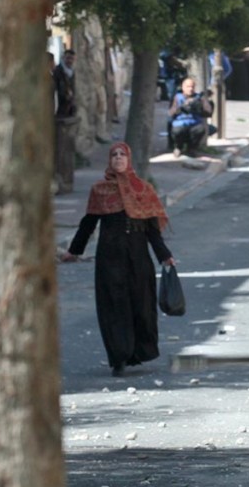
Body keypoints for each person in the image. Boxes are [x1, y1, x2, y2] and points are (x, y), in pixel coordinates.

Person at [62, 142, 175, 377]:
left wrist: (165, 256)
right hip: (110, 259)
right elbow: (89, 223)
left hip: (138, 259)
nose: (119, 158)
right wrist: (74, 250)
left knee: (141, 305)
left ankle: (138, 352)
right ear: (109, 161)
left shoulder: (143, 190)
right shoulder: (100, 190)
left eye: (123, 154)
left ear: (129, 159)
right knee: (114, 306)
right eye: (114, 155)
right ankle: (119, 357)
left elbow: (152, 231)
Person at [53, 48, 78, 193]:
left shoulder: (71, 72)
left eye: (72, 59)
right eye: (68, 58)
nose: (70, 61)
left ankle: (66, 181)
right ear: (64, 58)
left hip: (68, 114)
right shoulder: (59, 73)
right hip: (60, 115)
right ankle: (63, 181)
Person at [169, 77, 213, 158]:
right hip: (180, 123)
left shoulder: (199, 98)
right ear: (183, 87)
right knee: (177, 131)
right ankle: (178, 147)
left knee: (200, 130)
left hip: (194, 123)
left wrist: (199, 106)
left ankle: (191, 149)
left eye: (192, 87)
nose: (190, 89)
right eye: (188, 87)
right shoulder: (177, 97)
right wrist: (181, 107)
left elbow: (208, 112)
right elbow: (171, 113)